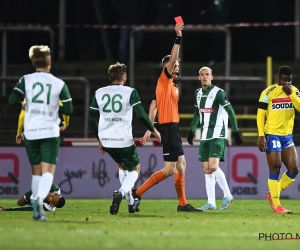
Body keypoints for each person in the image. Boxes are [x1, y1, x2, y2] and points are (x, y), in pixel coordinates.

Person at [135, 24, 201, 212]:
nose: (177, 67)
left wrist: (149, 128)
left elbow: (154, 105)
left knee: (181, 165)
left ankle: (182, 204)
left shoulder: (171, 86)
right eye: (175, 65)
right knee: (169, 170)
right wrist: (178, 37)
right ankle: (137, 192)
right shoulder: (164, 80)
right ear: (166, 67)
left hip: (173, 127)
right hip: (168, 127)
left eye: (178, 66)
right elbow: (172, 58)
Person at [8, 45, 73, 221]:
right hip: (50, 132)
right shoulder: (58, 83)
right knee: (47, 173)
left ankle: (37, 202)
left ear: (33, 62)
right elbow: (69, 108)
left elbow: (12, 99)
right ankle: (38, 205)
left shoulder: (25, 80)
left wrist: (24, 106)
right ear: (50, 62)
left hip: (31, 131)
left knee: (36, 172)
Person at [89, 62, 161, 215]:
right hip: (123, 140)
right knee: (135, 168)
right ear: (123, 77)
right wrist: (153, 129)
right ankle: (121, 193)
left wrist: (99, 139)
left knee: (122, 167)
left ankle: (130, 202)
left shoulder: (99, 92)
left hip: (107, 140)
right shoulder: (130, 92)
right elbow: (140, 114)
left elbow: (91, 120)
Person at [186, 66, 243, 210]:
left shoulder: (219, 93)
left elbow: (230, 111)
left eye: (207, 75)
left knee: (213, 166)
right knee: (206, 169)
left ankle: (227, 194)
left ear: (212, 77)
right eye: (202, 75)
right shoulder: (197, 93)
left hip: (218, 134)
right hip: (204, 135)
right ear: (199, 78)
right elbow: (197, 113)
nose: (205, 77)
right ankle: (211, 201)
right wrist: (191, 130)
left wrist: (235, 131)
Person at [257, 65, 300, 214]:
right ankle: (277, 205)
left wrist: (292, 95)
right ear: (277, 78)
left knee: (294, 169)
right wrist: (261, 135)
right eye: (283, 79)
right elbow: (260, 115)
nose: (286, 82)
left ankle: (272, 194)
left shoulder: (294, 91)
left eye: (289, 80)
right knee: (275, 167)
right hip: (272, 134)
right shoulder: (268, 92)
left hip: (287, 136)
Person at [0, 183, 65, 212]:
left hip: (31, 197)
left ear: (52, 204)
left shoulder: (45, 207)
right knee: (19, 203)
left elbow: (26, 209)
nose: (52, 194)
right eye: (55, 194)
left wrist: (7, 209)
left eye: (53, 198)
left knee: (20, 204)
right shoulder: (56, 189)